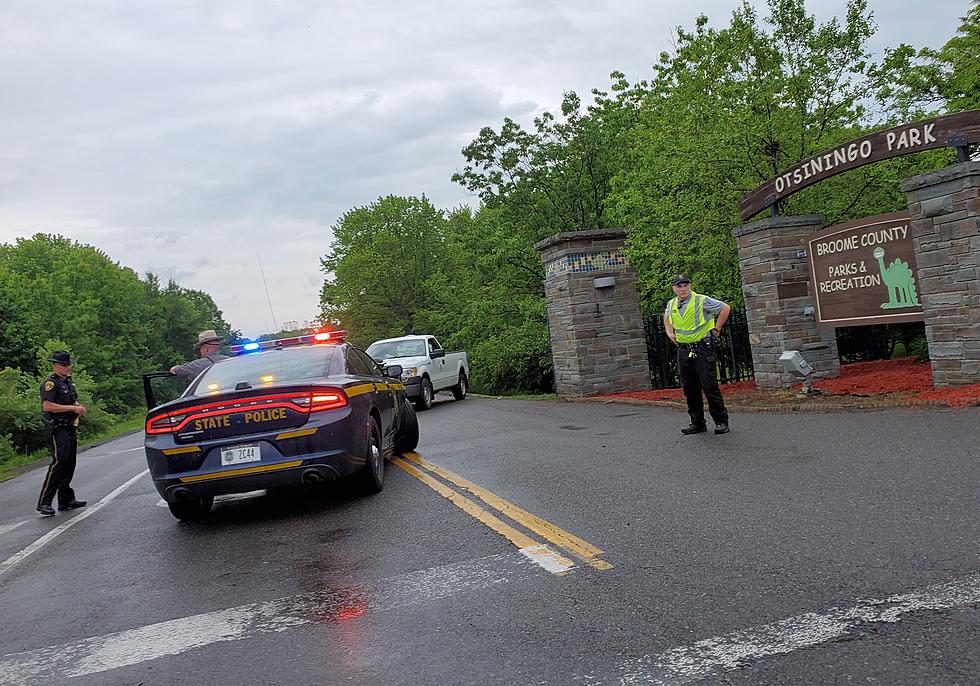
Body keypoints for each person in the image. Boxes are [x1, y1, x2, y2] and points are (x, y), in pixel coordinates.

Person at [663, 275, 731, 435]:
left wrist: (717, 328)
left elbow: (725, 308)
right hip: (684, 349)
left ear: (690, 286)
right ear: (674, 289)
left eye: (685, 285)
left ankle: (721, 421)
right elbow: (666, 317)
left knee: (709, 386)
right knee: (690, 388)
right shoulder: (672, 303)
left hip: (702, 348)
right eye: (679, 286)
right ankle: (697, 422)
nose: (683, 288)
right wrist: (669, 332)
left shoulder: (701, 300)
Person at [37, 350, 87, 516]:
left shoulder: (68, 383)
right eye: (64, 365)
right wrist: (73, 408)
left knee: (69, 463)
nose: (68, 367)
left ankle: (65, 499)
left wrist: (78, 406)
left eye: (69, 364)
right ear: (55, 366)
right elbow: (47, 406)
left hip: (70, 426)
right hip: (58, 428)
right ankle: (44, 502)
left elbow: (72, 400)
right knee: (59, 462)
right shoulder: (51, 384)